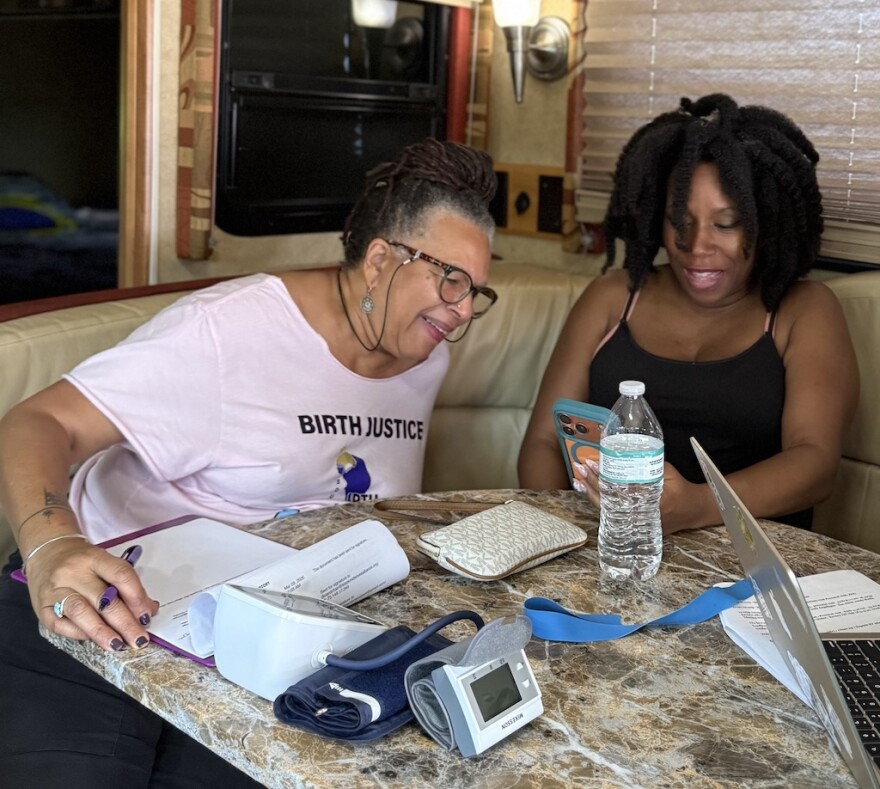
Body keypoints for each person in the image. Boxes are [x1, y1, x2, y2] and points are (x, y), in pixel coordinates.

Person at [0, 138, 497, 787]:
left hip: (249, 640)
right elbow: (38, 421)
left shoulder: (425, 355)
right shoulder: (225, 333)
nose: (460, 310)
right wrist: (50, 547)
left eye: (476, 293)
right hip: (100, 603)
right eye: (450, 279)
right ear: (380, 260)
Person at [518, 93, 858, 534]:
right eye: (680, 219)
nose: (697, 246)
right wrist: (562, 537)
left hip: (751, 572)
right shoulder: (613, 297)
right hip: (612, 551)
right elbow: (545, 442)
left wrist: (696, 505)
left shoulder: (805, 310)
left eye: (726, 223)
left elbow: (815, 464)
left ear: (765, 222)